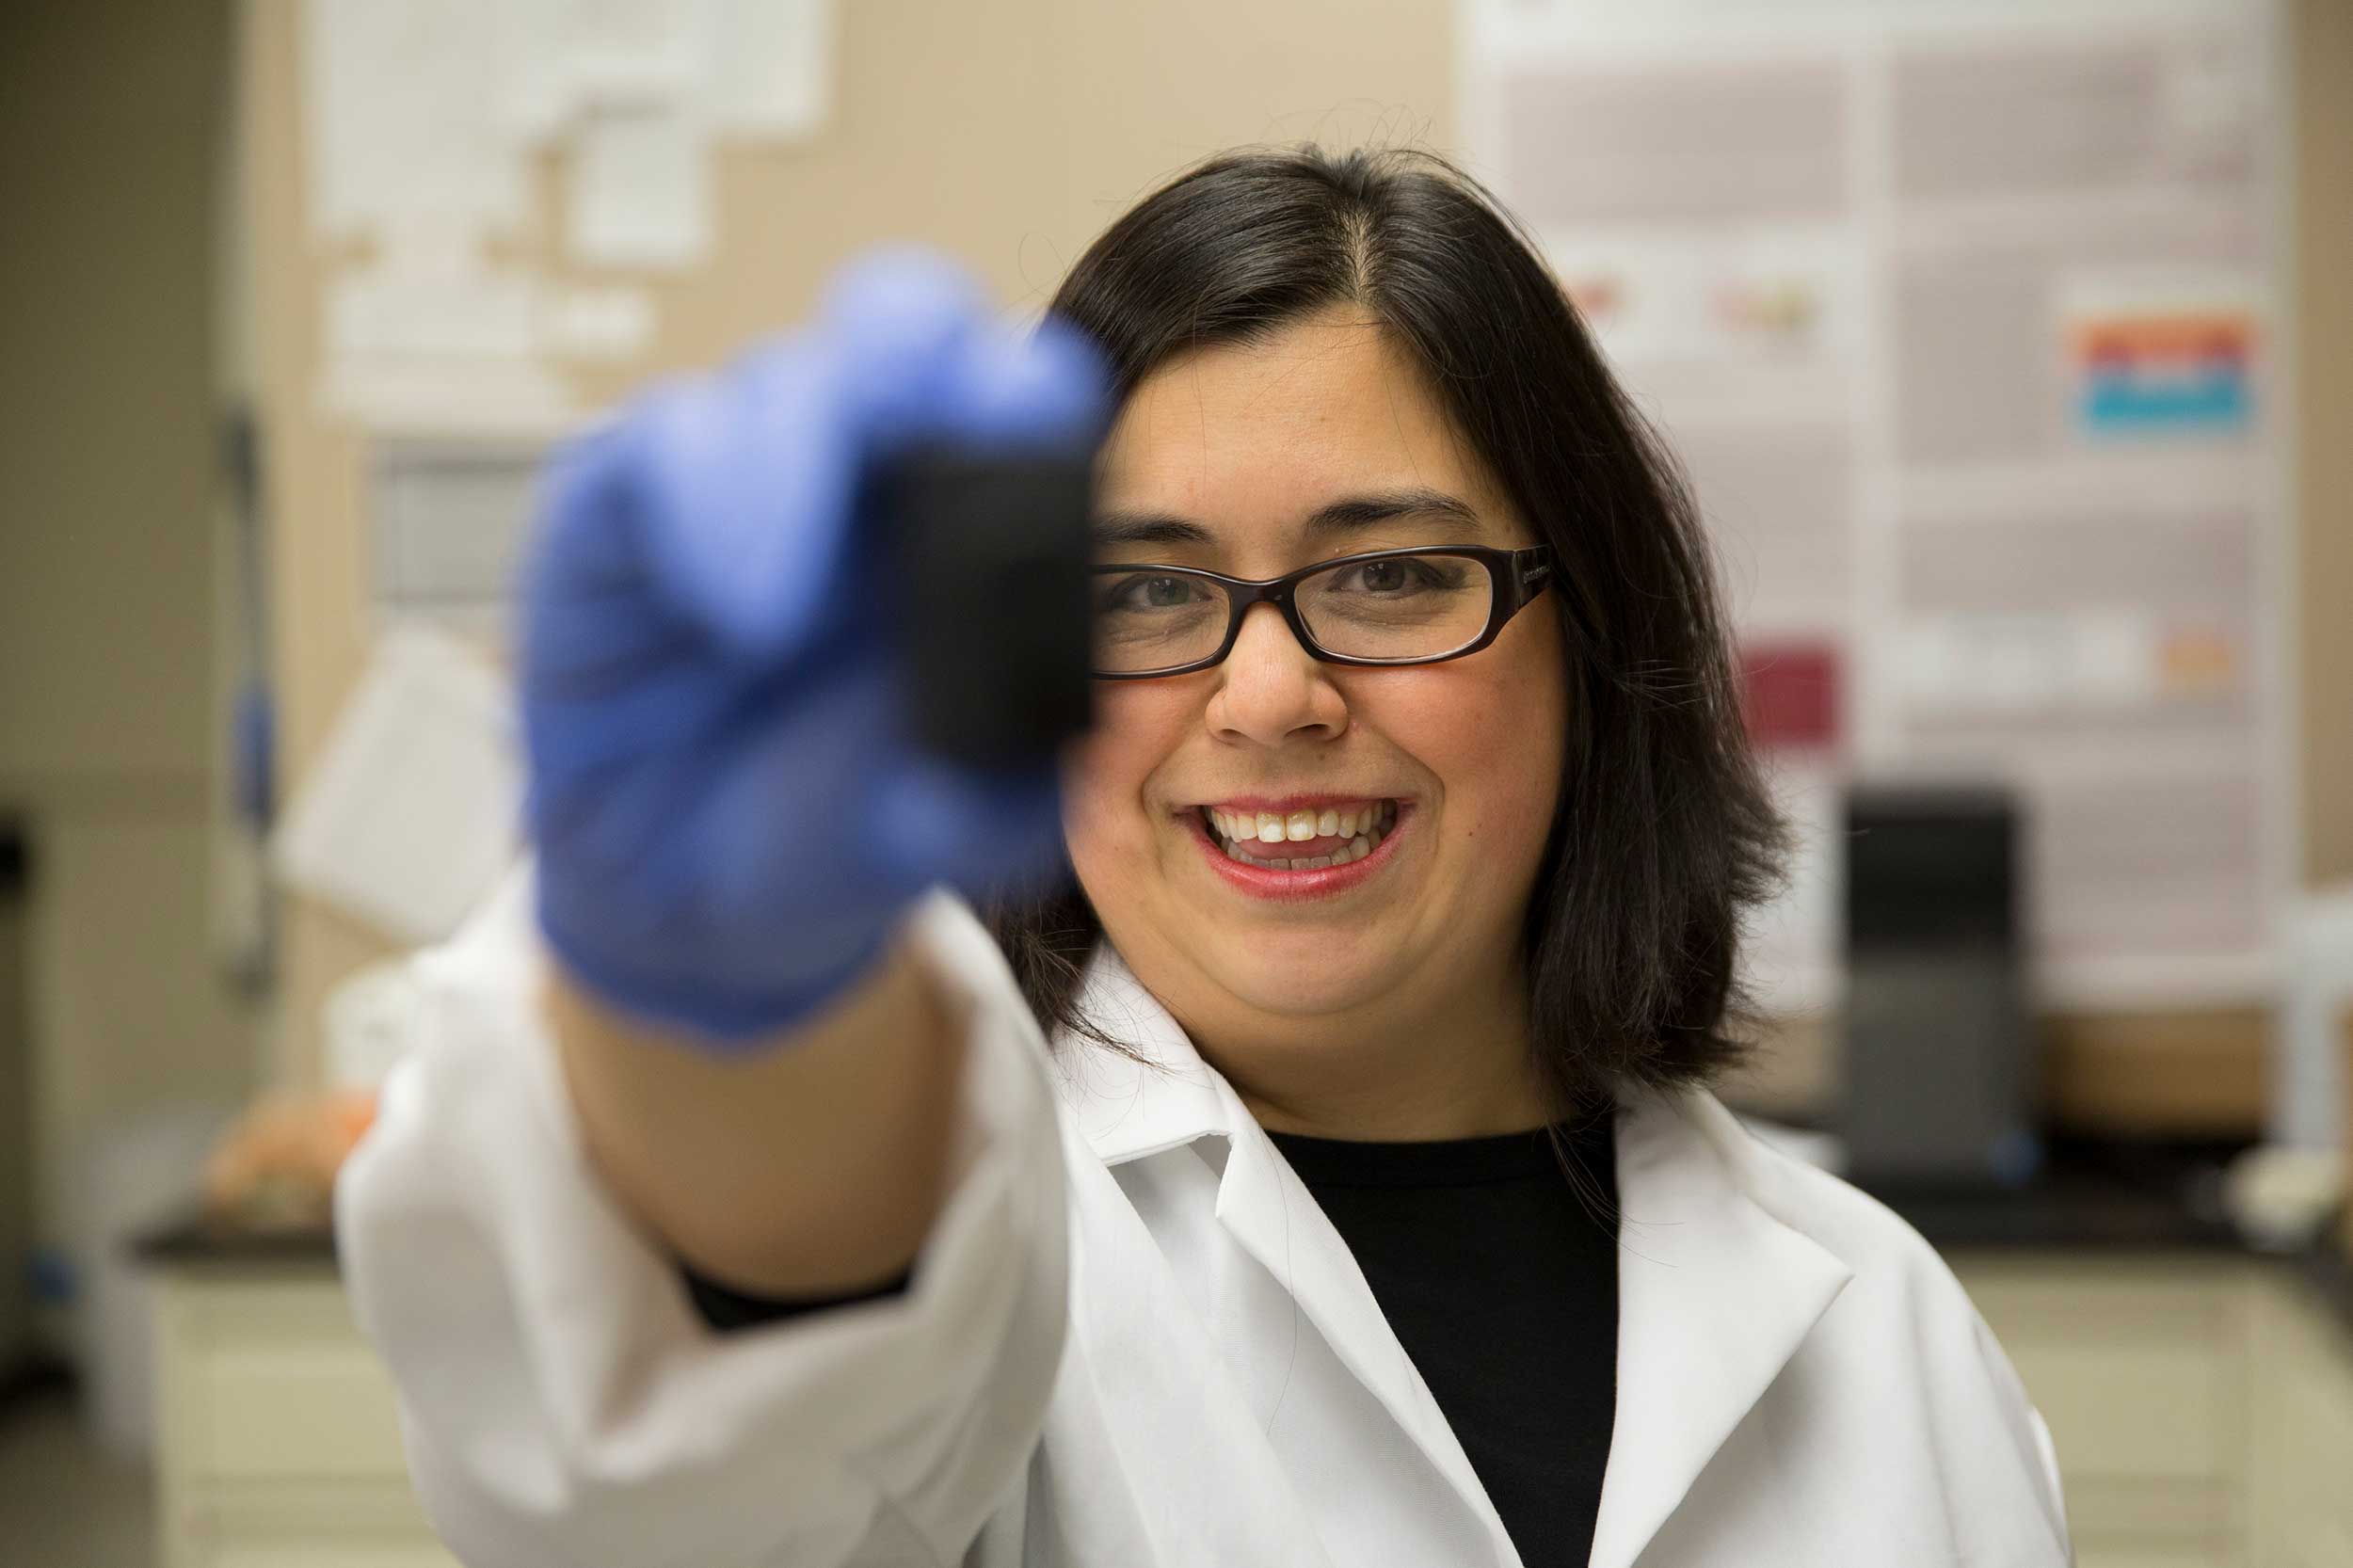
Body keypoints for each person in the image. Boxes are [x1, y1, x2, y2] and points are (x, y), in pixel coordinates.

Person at [336, 147, 2072, 1568]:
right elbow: (703, 1493)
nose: (1267, 693)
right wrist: (727, 1015)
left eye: (1392, 574)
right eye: (1147, 591)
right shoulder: (972, 1274)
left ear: (1592, 641)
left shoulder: (1885, 1330)